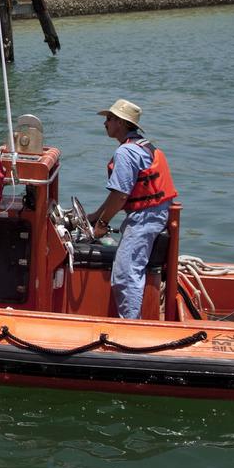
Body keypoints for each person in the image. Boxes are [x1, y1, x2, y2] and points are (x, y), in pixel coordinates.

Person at [88, 99, 178, 319]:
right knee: (128, 271)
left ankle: (130, 326)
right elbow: (120, 195)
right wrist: (95, 216)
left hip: (145, 219)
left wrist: (102, 224)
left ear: (120, 122)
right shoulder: (142, 146)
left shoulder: (125, 153)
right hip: (153, 214)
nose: (105, 123)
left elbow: (120, 196)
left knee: (125, 274)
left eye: (109, 119)